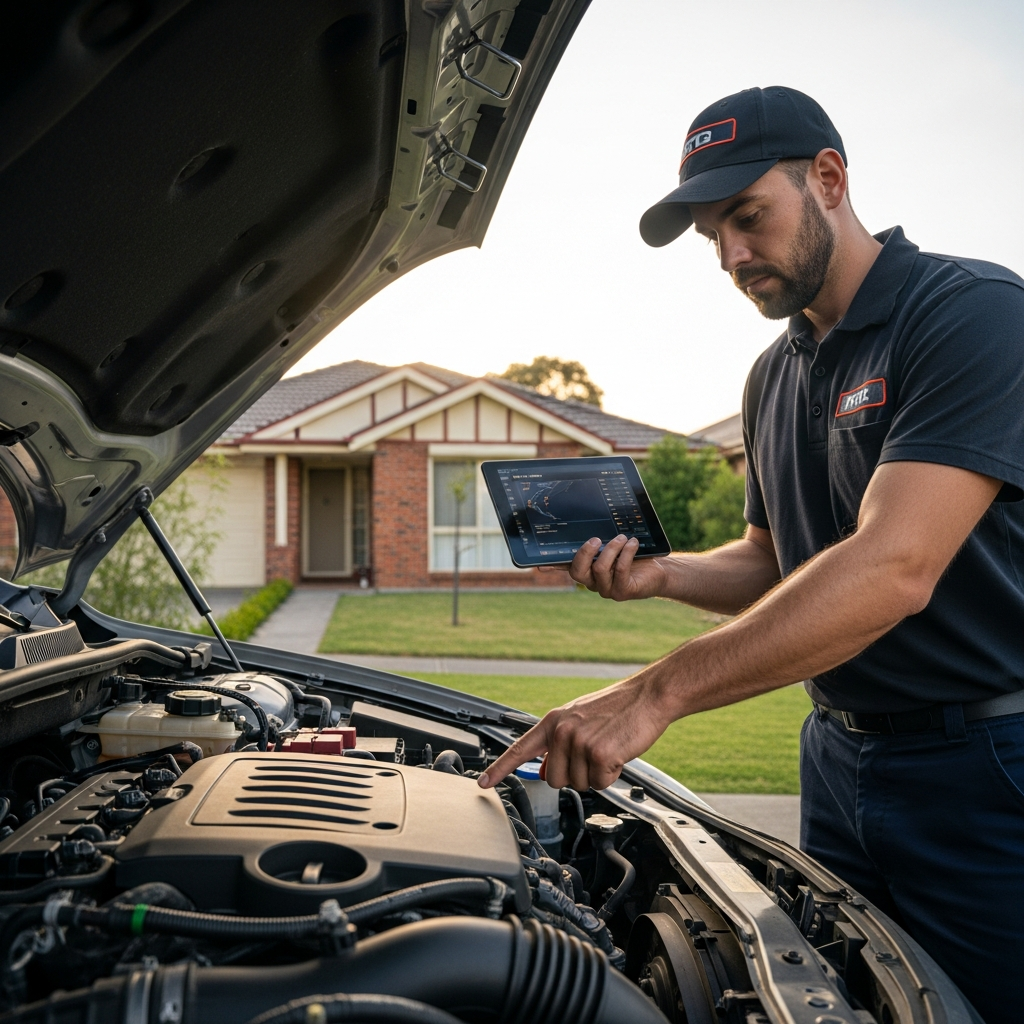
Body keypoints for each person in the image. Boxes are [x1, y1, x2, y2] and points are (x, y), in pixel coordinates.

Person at [478, 86, 1024, 1024]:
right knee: (855, 1004)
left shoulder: (972, 315)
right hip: (839, 758)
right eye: (711, 236)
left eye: (748, 217)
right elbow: (778, 560)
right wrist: (662, 575)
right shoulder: (775, 372)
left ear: (829, 179)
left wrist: (651, 693)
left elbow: (894, 565)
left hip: (987, 761)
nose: (732, 255)